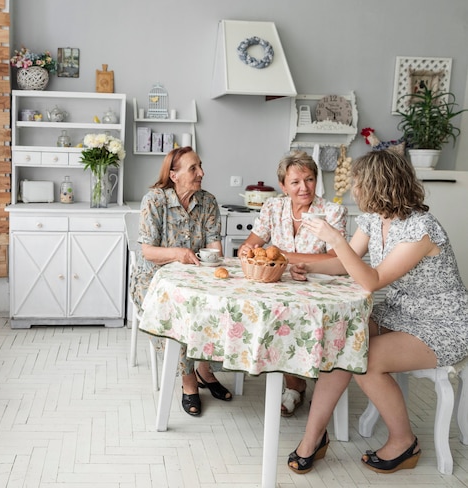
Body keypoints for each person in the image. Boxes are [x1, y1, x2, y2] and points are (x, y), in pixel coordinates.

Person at [287, 150, 468, 475]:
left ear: (377, 186)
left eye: (358, 182)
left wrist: (334, 238)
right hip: (400, 313)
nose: (354, 188)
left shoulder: (420, 230)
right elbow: (345, 263)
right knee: (341, 340)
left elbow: (371, 280)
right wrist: (305, 268)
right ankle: (313, 439)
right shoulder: (374, 218)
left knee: (364, 359)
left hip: (442, 324)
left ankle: (404, 442)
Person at [238, 150, 347, 416]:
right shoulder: (273, 207)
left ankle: (323, 390)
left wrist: (287, 258)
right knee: (278, 324)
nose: (303, 188)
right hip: (282, 286)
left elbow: (338, 259)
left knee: (318, 331)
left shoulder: (333, 212)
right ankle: (294, 387)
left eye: (309, 180)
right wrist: (246, 250)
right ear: (283, 186)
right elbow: (253, 243)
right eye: (295, 182)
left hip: (321, 288)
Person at [129, 146, 232, 417]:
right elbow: (148, 252)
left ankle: (205, 370)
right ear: (173, 175)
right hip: (153, 280)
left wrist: (211, 259)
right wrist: (179, 254)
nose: (202, 172)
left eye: (200, 166)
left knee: (218, 307)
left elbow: (215, 249)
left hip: (196, 278)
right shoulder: (155, 200)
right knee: (178, 314)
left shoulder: (208, 201)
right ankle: (188, 382)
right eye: (193, 168)